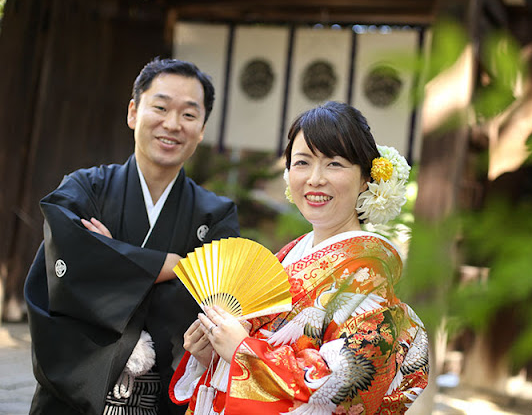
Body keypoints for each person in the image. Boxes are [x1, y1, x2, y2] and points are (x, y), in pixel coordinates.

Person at [169, 101, 429, 414]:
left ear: (365, 178)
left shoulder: (367, 272)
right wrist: (213, 355)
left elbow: (347, 381)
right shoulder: (291, 253)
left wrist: (243, 351)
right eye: (302, 162)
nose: (315, 179)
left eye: (334, 164)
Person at [24, 58, 240, 415]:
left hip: (163, 397)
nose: (172, 124)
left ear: (202, 129)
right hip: (73, 399)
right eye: (160, 107)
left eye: (189, 115)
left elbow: (215, 301)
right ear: (133, 112)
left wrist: (110, 257)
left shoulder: (215, 214)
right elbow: (61, 269)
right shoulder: (84, 189)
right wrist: (170, 265)